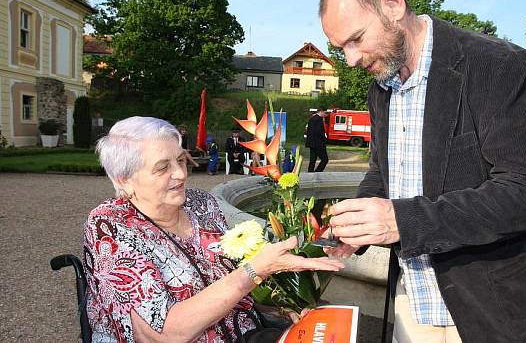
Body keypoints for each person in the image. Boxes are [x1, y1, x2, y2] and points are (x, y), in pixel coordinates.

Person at [319, 0, 526, 342]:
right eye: (341, 48)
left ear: (393, 5)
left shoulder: (495, 63)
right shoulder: (382, 86)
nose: (350, 59)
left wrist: (402, 220)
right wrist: (354, 228)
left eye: (357, 39)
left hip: (493, 306)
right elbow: (383, 171)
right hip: (413, 302)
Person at [85, 116, 344, 343]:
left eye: (180, 160)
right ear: (124, 179)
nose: (180, 174)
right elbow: (163, 334)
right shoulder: (111, 226)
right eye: (163, 167)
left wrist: (278, 306)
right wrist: (256, 270)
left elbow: (234, 283)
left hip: (244, 331)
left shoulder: (201, 204)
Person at [305, 106, 329, 172]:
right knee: (325, 159)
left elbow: (308, 131)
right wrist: (324, 140)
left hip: (311, 143)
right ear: (321, 111)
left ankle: (310, 173)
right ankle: (318, 172)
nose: (326, 114)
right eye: (325, 112)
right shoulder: (319, 119)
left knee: (312, 160)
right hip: (318, 143)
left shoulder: (311, 119)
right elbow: (319, 132)